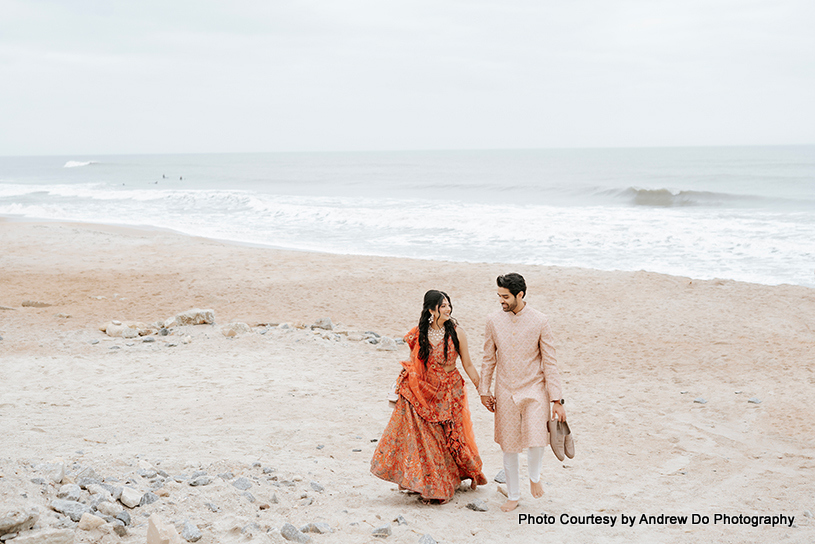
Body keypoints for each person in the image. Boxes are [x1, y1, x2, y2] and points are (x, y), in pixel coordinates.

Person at [371, 290, 487, 503]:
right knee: (428, 439)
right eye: (443, 306)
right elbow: (414, 364)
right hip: (424, 391)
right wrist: (404, 386)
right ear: (431, 309)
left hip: (450, 391)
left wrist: (483, 390)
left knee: (450, 437)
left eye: (449, 305)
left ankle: (452, 477)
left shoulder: (457, 332)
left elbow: (468, 364)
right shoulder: (419, 333)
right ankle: (431, 483)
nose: (448, 309)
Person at [479, 273, 566, 512]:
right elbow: (488, 358)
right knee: (509, 446)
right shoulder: (493, 320)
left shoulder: (540, 320)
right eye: (499, 296)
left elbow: (550, 362)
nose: (501, 301)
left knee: (537, 438)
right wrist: (484, 391)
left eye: (505, 296)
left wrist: (557, 400)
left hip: (535, 389)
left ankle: (535, 476)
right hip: (505, 389)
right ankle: (514, 495)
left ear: (520, 294)